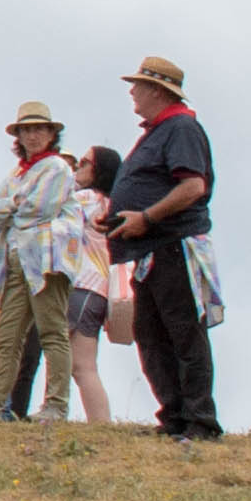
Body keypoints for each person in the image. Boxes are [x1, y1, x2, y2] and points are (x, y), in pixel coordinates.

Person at [102, 56, 220, 439]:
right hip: (150, 250)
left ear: (157, 90)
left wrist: (147, 218)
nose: (132, 91)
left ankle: (199, 421)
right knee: (152, 336)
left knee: (183, 332)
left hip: (172, 245)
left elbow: (192, 187)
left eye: (137, 84)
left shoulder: (180, 127)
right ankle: (174, 418)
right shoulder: (160, 130)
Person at [0, 103, 99, 422]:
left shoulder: (58, 167)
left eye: (38, 129)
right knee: (8, 335)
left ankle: (56, 403)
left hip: (48, 259)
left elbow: (39, 209)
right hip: (20, 258)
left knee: (51, 330)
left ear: (51, 134)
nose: (32, 135)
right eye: (26, 130)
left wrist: (10, 205)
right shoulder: (20, 172)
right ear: (18, 136)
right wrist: (13, 206)